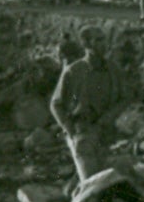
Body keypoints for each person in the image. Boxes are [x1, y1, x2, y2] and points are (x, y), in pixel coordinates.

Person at [51, 32, 122, 182]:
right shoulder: (74, 71)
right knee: (93, 183)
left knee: (105, 180)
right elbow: (56, 104)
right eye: (98, 40)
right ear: (87, 45)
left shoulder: (113, 69)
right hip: (82, 131)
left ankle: (71, 193)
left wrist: (110, 116)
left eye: (104, 40)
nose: (103, 44)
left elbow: (126, 97)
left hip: (106, 133)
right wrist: (69, 129)